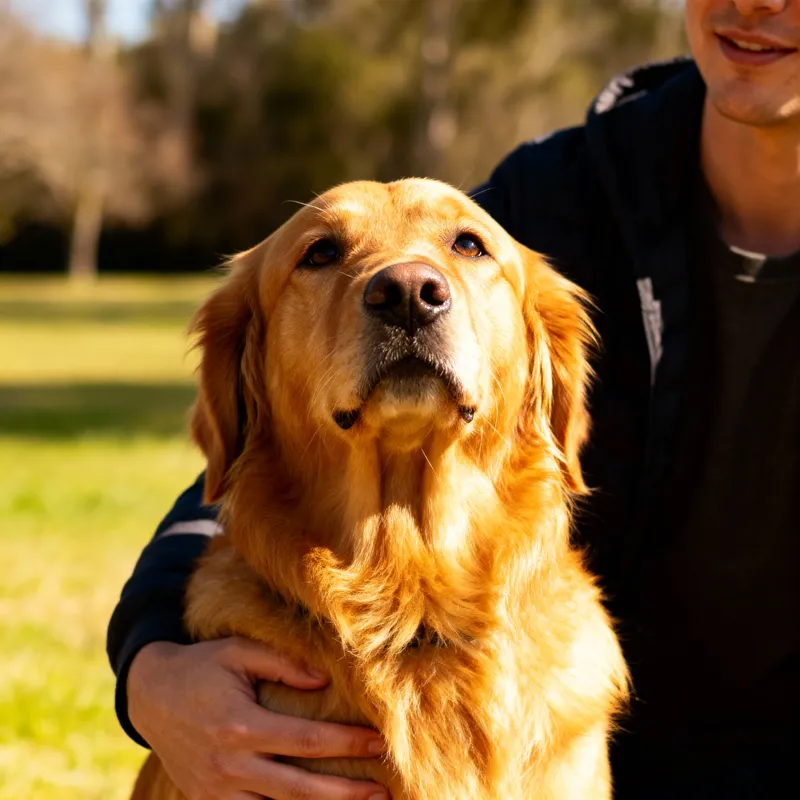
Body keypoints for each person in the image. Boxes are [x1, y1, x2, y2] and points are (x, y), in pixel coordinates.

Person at [107, 1, 800, 797]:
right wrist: (152, 664)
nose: (409, 285)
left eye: (463, 250)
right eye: (328, 254)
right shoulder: (560, 197)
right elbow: (233, 476)